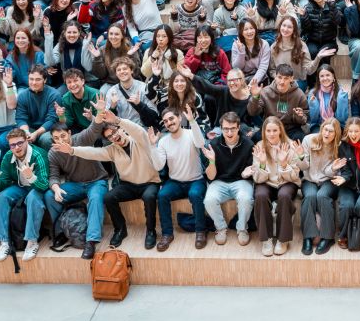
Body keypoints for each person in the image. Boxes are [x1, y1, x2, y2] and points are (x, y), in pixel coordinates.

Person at [60, 107, 161, 249]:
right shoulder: (112, 150)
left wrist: (118, 120)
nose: (113, 137)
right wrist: (72, 150)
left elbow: (137, 130)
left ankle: (151, 231)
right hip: (129, 185)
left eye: (114, 132)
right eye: (109, 137)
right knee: (108, 197)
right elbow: (93, 152)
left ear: (121, 129)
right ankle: (120, 229)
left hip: (149, 182)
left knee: (149, 197)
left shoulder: (139, 140)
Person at [45, 95, 108, 259]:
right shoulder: (53, 153)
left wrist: (100, 112)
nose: (61, 140)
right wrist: (56, 187)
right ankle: (60, 231)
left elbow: (94, 128)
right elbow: (53, 175)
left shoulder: (81, 139)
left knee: (95, 199)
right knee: (50, 195)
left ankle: (91, 242)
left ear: (70, 133)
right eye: (56, 138)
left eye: (63, 136)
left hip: (96, 182)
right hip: (76, 185)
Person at [0, 127, 50, 262]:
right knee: (1, 197)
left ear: (26, 141)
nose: (17, 147)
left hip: (37, 188)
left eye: (20, 143)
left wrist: (31, 177)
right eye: (13, 145)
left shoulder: (38, 154)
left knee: (33, 198)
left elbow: (44, 184)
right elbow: (4, 181)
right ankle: (4, 242)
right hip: (20, 187)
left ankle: (32, 241)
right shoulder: (8, 156)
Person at [152, 106, 208, 251]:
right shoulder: (163, 141)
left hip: (196, 179)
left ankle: (201, 232)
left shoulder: (191, 134)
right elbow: (159, 166)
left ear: (179, 118)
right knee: (162, 195)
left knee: (195, 194)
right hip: (175, 182)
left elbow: (201, 144)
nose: (169, 123)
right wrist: (152, 145)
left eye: (171, 118)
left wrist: (192, 121)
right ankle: (167, 234)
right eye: (165, 121)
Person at [246, 116, 303, 256]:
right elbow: (258, 179)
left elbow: (295, 176)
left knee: (284, 196)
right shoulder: (259, 146)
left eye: (274, 130)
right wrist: (263, 164)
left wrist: (284, 164)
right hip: (266, 181)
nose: (271, 134)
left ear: (280, 131)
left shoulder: (290, 146)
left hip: (287, 181)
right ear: (264, 132)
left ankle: (283, 240)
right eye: (268, 130)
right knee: (260, 195)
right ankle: (266, 239)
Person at [201, 112, 255, 245]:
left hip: (241, 181)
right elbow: (211, 176)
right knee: (209, 200)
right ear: (221, 129)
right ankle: (220, 228)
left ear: (238, 128)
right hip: (219, 182)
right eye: (226, 129)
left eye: (232, 128)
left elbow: (250, 172)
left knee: (246, 199)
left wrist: (246, 173)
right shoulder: (213, 144)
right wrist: (212, 162)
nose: (229, 132)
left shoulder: (248, 144)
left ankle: (242, 229)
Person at [299, 117, 345, 255]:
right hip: (309, 179)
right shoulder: (308, 140)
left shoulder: (338, 146)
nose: (327, 134)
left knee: (322, 196)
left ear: (336, 134)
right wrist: (301, 157)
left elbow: (331, 173)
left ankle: (327, 237)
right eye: (325, 130)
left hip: (328, 180)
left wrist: (333, 168)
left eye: (331, 132)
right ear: (321, 129)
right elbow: (304, 167)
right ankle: (307, 237)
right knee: (310, 196)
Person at [334, 117, 360, 250]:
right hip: (349, 184)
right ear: (346, 131)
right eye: (350, 131)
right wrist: (344, 178)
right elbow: (345, 168)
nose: (353, 135)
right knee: (346, 206)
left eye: (356, 131)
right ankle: (343, 235)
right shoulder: (343, 146)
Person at [248, 64, 309, 141]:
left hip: (290, 129)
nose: (282, 82)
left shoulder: (299, 94)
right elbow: (252, 112)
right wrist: (255, 97)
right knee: (255, 138)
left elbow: (304, 120)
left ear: (291, 79)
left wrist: (299, 116)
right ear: (275, 76)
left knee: (301, 138)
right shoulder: (266, 92)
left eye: (286, 78)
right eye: (279, 77)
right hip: (271, 129)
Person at [14, 65, 60, 150]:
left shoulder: (54, 95)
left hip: (48, 129)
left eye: (38, 79)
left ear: (45, 80)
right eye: (31, 79)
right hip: (29, 128)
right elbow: (20, 118)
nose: (34, 82)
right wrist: (26, 132)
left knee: (45, 139)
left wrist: (36, 133)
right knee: (16, 138)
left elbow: (52, 120)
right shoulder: (23, 95)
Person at [104, 56, 157, 127]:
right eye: (118, 70)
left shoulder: (144, 87)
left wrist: (139, 104)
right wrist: (113, 107)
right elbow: (108, 121)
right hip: (123, 130)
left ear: (131, 70)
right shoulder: (112, 91)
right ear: (116, 74)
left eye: (125, 69)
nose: (122, 71)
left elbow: (154, 115)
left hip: (143, 129)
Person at [56, 67, 100, 134]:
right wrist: (61, 116)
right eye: (69, 82)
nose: (73, 85)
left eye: (75, 80)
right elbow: (68, 123)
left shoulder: (96, 95)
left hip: (96, 127)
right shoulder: (65, 98)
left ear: (82, 81)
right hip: (79, 129)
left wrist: (91, 117)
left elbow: (102, 121)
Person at [307, 64, 349, 131]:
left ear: (333, 77)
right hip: (319, 126)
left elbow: (343, 120)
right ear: (319, 79)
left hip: (337, 126)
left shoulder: (341, 93)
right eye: (322, 76)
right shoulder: (313, 93)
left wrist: (341, 101)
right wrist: (314, 105)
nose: (325, 78)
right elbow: (313, 120)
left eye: (328, 75)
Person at [232, 18, 272, 84]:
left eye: (251, 28)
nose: (249, 32)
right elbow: (236, 68)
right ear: (241, 32)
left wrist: (252, 83)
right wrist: (241, 52)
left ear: (255, 29)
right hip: (242, 77)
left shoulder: (264, 44)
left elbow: (263, 68)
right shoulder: (236, 45)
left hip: (259, 76)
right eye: (246, 29)